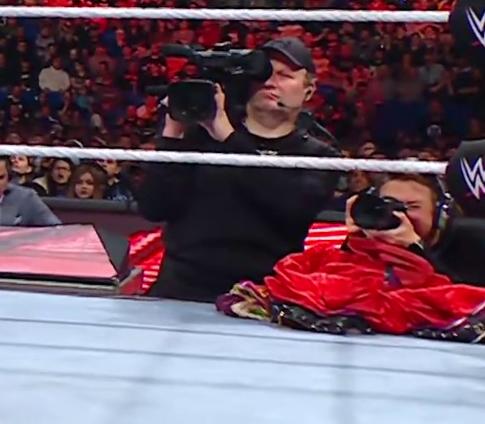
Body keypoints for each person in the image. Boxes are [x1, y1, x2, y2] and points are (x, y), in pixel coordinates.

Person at [137, 37, 340, 302]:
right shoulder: (201, 137)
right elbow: (154, 208)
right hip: (181, 289)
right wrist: (171, 137)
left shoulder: (319, 156)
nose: (270, 82)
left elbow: (293, 206)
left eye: (284, 75)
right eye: (264, 73)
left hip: (260, 296)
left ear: (308, 91)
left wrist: (228, 138)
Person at [343, 173, 485, 288]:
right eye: (388, 203)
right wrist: (359, 240)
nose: (399, 213)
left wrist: (415, 248)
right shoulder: (373, 237)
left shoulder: (468, 239)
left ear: (439, 213)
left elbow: (469, 299)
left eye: (412, 206)